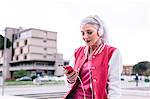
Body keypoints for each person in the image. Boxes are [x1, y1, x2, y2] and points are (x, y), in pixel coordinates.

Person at [63, 15, 123, 99]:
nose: (85, 37)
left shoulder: (112, 53)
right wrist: (70, 79)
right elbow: (70, 85)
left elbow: (114, 85)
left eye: (89, 32)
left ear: (100, 32)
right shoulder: (77, 52)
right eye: (82, 33)